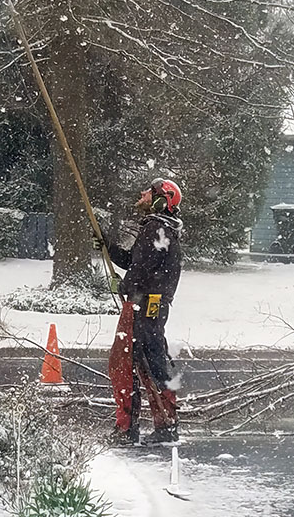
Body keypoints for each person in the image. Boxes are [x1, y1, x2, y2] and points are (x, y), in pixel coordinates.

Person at [96, 178, 183, 444]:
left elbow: (142, 270)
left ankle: (129, 428)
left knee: (127, 363)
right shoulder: (158, 229)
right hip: (149, 304)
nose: (142, 194)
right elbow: (136, 262)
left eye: (149, 191)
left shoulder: (158, 230)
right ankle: (163, 424)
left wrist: (125, 286)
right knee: (149, 360)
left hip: (145, 305)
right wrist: (108, 247)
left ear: (161, 199)